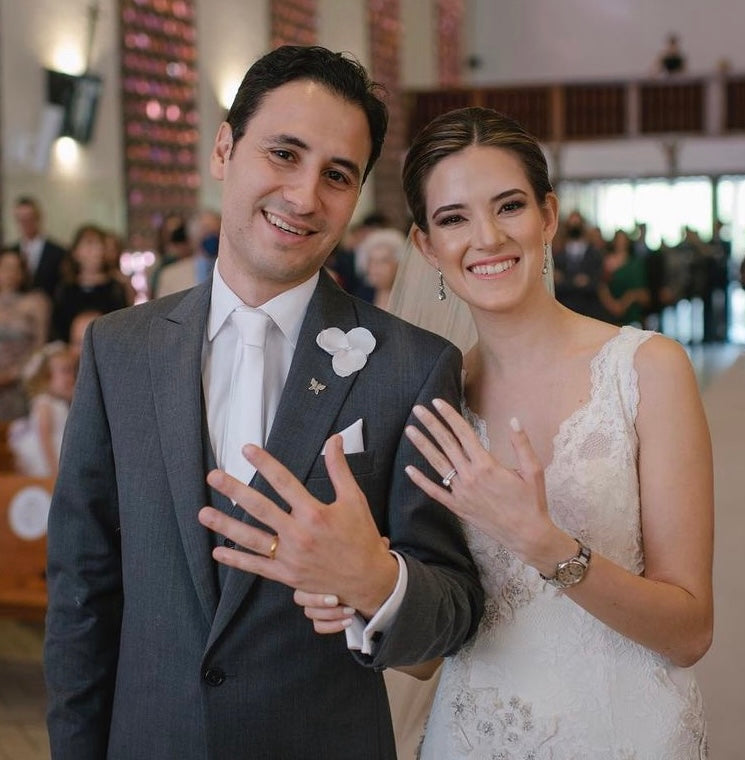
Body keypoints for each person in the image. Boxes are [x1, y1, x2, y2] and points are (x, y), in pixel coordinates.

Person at [44, 45, 483, 760]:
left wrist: (378, 582)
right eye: (284, 153)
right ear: (224, 149)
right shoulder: (119, 351)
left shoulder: (411, 366)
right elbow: (81, 593)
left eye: (337, 175)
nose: (306, 196)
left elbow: (453, 609)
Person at [304, 107, 713, 758]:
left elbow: (689, 632)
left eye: (510, 206)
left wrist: (545, 544)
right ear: (426, 246)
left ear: (548, 216)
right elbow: (425, 660)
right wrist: (369, 587)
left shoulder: (645, 369)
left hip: (627, 733)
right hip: (474, 736)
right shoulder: (430, 403)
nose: (487, 237)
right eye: (454, 218)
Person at [50, 223, 129, 341]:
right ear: (76, 252)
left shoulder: (116, 287)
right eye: (89, 244)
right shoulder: (65, 288)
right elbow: (57, 328)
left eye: (99, 244)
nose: (95, 250)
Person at [8, 341, 76, 477]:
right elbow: (44, 438)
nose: (71, 377)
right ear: (46, 377)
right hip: (49, 458)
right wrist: (54, 470)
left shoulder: (61, 403)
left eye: (72, 371)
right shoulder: (44, 403)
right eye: (65, 371)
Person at [0, 248, 50, 421]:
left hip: (24, 384)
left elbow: (40, 347)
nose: (10, 273)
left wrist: (14, 374)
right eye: (5, 267)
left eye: (16, 268)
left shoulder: (36, 302)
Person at [9, 195, 67, 300]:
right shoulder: (10, 252)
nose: (26, 223)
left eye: (29, 218)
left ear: (38, 217)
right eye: (21, 219)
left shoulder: (58, 252)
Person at [354, 227, 406, 310]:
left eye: (383, 261)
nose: (376, 267)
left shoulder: (408, 299)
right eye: (372, 261)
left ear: (398, 264)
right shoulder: (360, 297)